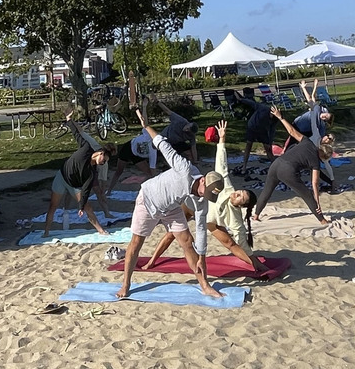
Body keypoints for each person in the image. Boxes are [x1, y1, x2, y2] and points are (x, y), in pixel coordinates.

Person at [116, 106, 225, 300]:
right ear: (202, 181)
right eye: (204, 191)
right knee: (136, 243)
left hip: (171, 207)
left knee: (187, 242)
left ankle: (204, 285)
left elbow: (201, 229)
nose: (203, 195)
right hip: (148, 200)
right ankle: (125, 285)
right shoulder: (184, 168)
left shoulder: (202, 200)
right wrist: (147, 126)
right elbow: (163, 145)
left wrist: (202, 257)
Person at [145, 119, 268, 275]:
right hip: (191, 206)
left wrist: (254, 260)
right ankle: (152, 260)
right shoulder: (227, 188)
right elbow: (221, 165)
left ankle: (255, 265)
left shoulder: (235, 219)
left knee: (230, 243)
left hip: (210, 220)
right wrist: (222, 139)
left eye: (240, 198)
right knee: (171, 234)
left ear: (239, 206)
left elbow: (241, 241)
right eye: (240, 192)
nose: (236, 194)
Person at [252, 106, 334, 223]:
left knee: (267, 191)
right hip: (288, 170)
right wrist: (317, 201)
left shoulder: (307, 141)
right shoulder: (316, 162)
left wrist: (280, 117)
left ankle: (256, 215)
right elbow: (314, 183)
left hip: (276, 164)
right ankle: (322, 220)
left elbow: (291, 131)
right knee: (306, 195)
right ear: (323, 156)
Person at [41, 115, 115, 237]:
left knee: (88, 208)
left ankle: (101, 231)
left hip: (74, 185)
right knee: (53, 206)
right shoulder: (86, 148)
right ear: (100, 153)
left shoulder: (92, 172)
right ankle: (46, 232)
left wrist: (81, 206)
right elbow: (76, 134)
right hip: (62, 176)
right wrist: (69, 120)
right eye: (104, 160)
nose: (103, 162)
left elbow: (85, 189)